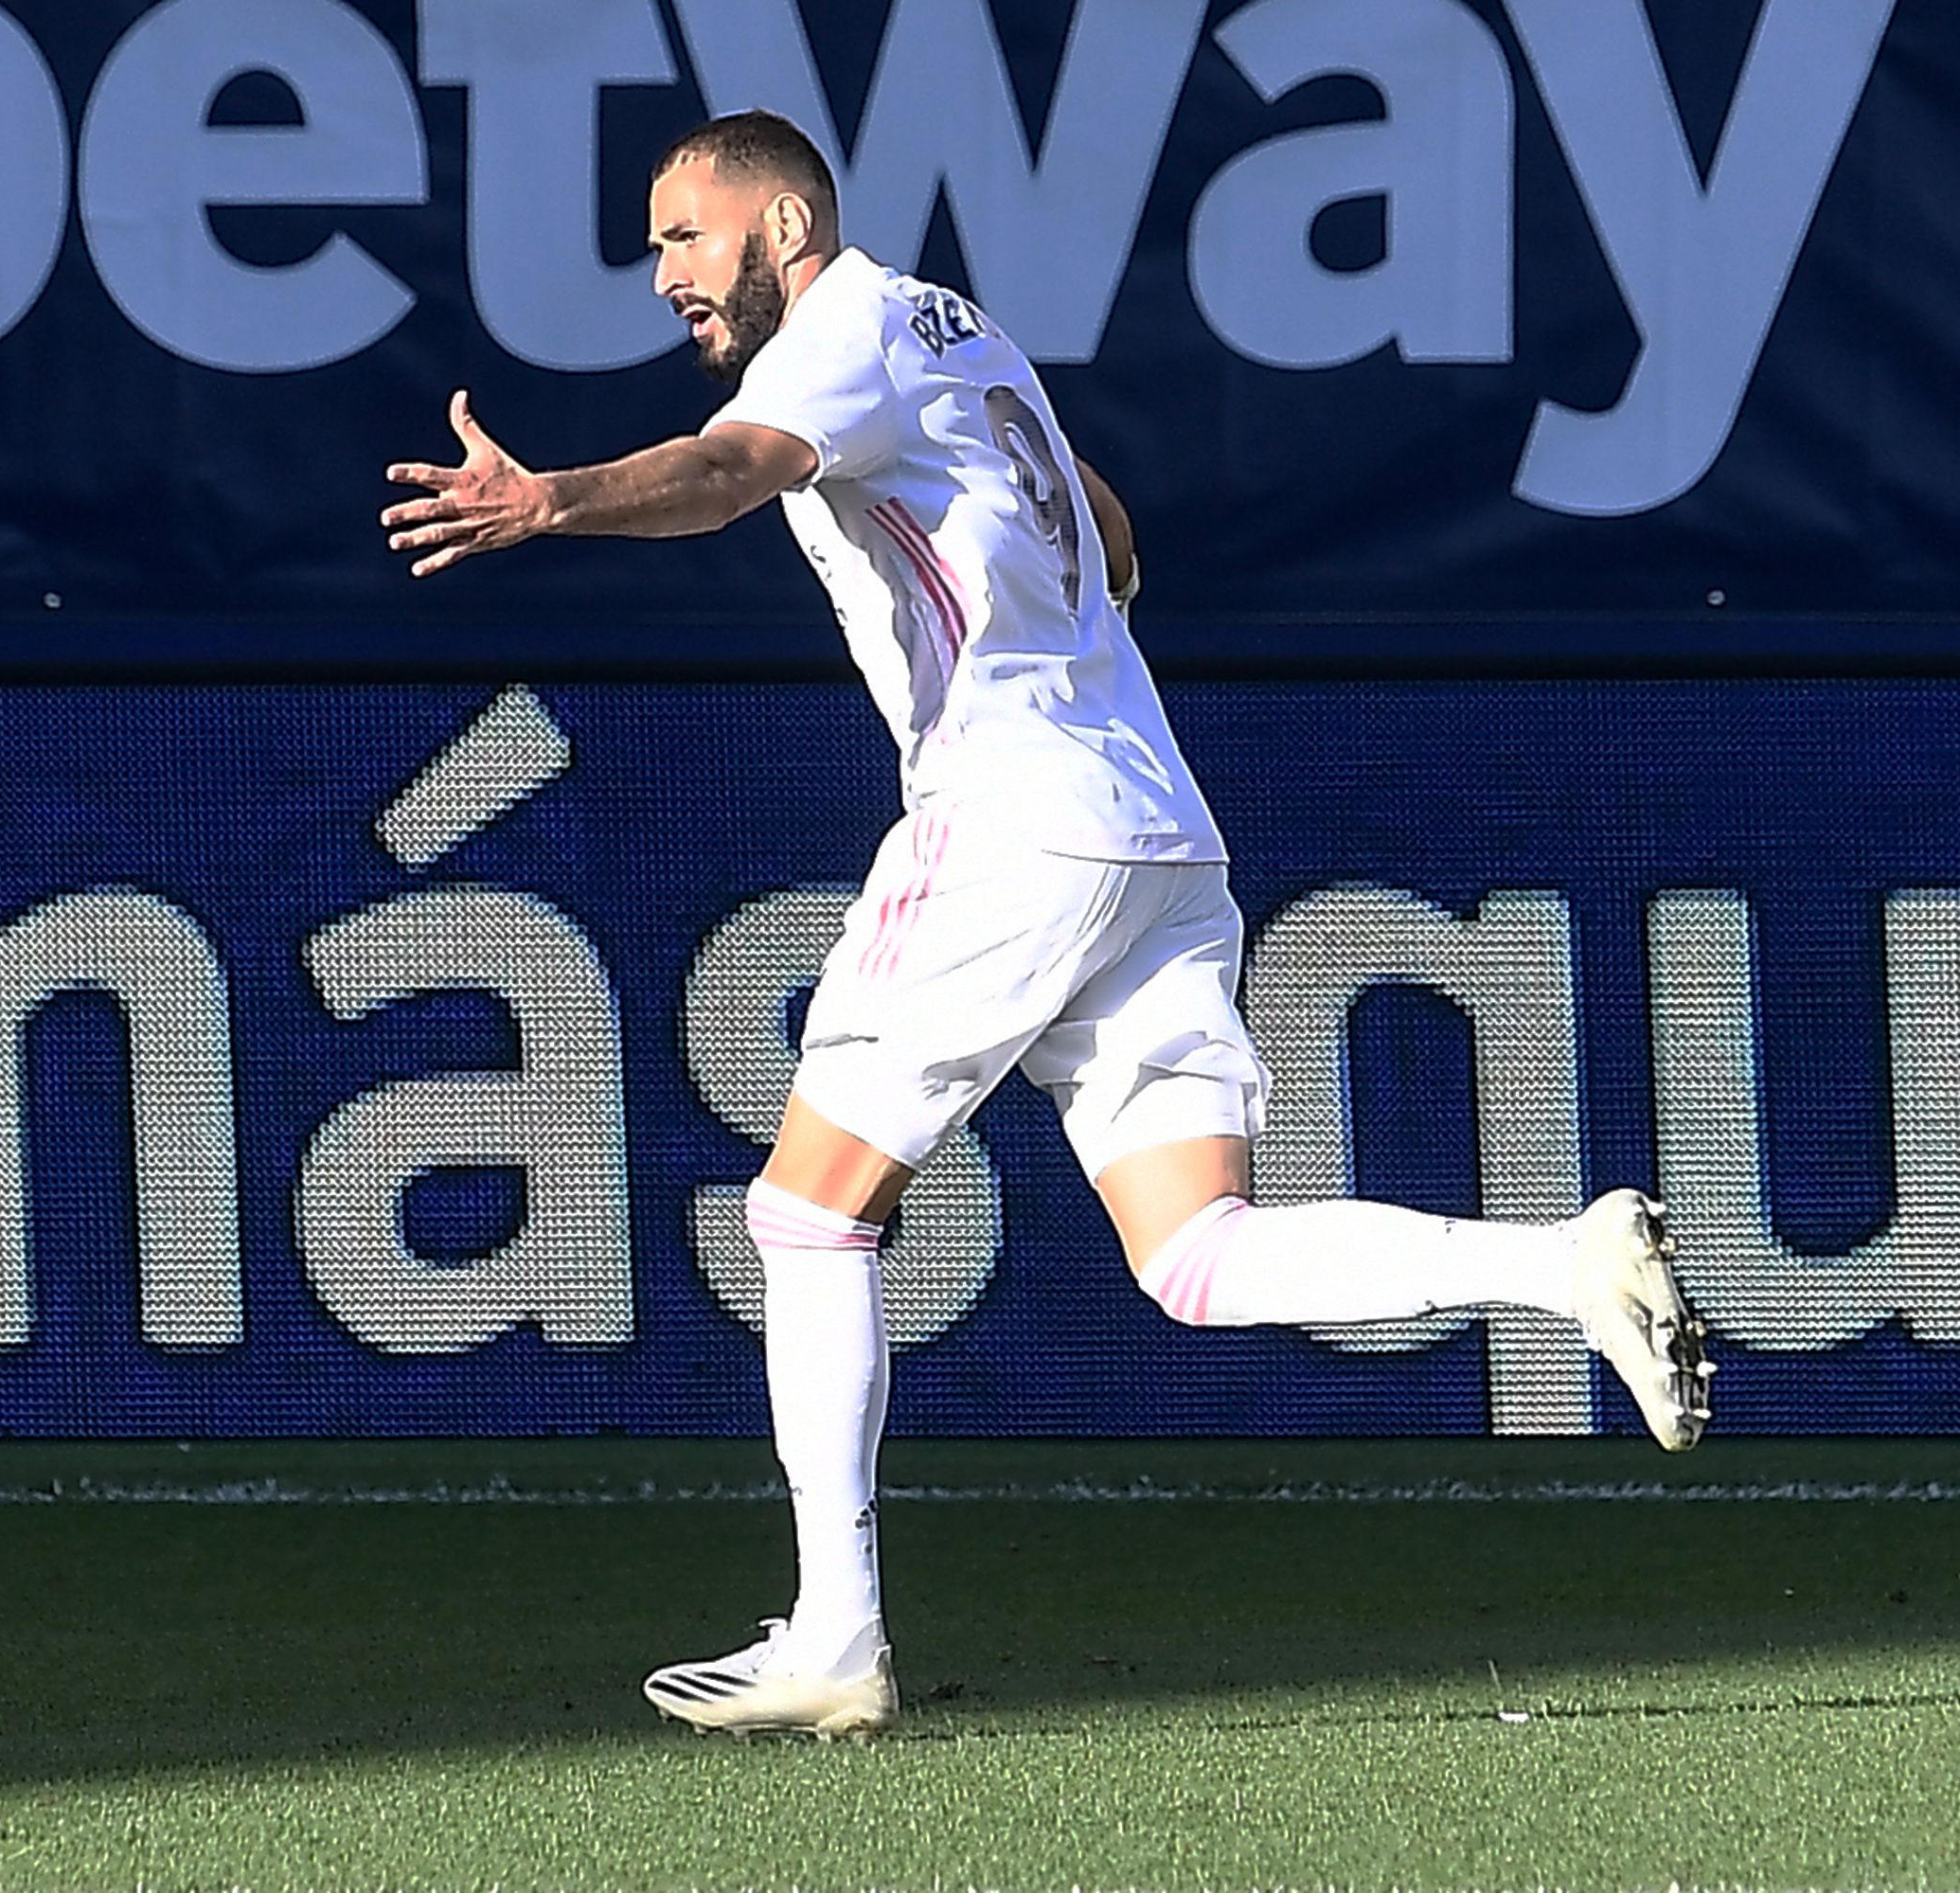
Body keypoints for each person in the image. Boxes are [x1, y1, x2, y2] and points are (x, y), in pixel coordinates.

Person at [382, 109, 1711, 1741]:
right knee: (1196, 1254)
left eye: (682, 234)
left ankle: (836, 1634)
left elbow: (730, 473)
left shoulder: (846, 332)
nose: (662, 272)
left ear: (785, 226)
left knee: (806, 1214)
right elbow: (1117, 534)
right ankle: (1561, 1266)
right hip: (1154, 826)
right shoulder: (964, 334)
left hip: (1011, 821)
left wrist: (548, 506)